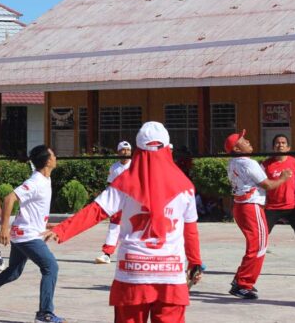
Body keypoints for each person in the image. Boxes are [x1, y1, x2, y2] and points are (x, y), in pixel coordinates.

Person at [44, 121, 203, 323]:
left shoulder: (125, 182)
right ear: (167, 147)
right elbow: (191, 231)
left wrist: (62, 230)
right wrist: (195, 263)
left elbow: (96, 211)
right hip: (171, 273)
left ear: (138, 150)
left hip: (133, 272)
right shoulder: (185, 187)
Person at [0, 145, 67, 323]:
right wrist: (3, 228)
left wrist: (43, 222)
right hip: (27, 236)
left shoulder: (45, 179)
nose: (56, 157)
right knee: (51, 268)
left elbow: (33, 207)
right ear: (48, 161)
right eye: (53, 155)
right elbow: (9, 198)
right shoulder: (36, 181)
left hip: (25, 233)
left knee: (12, 272)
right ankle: (45, 314)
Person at [225, 130, 292, 299]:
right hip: (251, 206)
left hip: (240, 206)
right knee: (259, 245)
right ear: (237, 149)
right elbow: (268, 185)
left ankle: (240, 280)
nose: (247, 141)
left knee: (255, 244)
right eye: (243, 140)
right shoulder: (249, 163)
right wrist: (284, 177)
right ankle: (243, 284)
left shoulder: (233, 162)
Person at [262, 133, 295, 277]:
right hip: (271, 208)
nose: (280, 145)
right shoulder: (265, 164)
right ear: (273, 147)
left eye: (283, 143)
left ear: (288, 147)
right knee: (260, 237)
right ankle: (254, 265)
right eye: (277, 143)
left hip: (292, 207)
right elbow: (261, 187)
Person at [95, 140, 132, 264]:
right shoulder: (114, 167)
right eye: (123, 150)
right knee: (114, 226)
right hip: (118, 202)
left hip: (134, 202)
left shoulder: (136, 165)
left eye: (128, 150)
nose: (126, 152)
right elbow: (110, 185)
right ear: (118, 152)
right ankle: (107, 254)